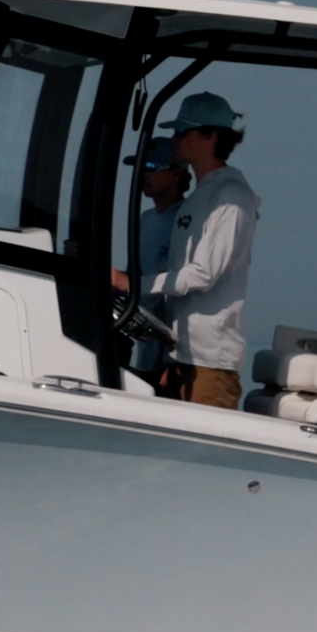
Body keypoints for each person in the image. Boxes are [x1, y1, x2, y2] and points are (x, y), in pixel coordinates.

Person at [142, 92, 260, 409]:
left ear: (210, 136)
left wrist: (130, 284)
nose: (175, 138)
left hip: (210, 364)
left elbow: (203, 274)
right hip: (184, 357)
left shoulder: (232, 196)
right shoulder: (201, 195)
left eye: (183, 132)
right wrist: (172, 358)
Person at [127, 134, 188, 385]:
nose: (143, 175)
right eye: (140, 167)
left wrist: (173, 361)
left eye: (151, 168)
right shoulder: (145, 219)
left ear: (176, 174)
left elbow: (188, 288)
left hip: (170, 358)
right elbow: (133, 282)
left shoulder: (187, 219)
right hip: (145, 354)